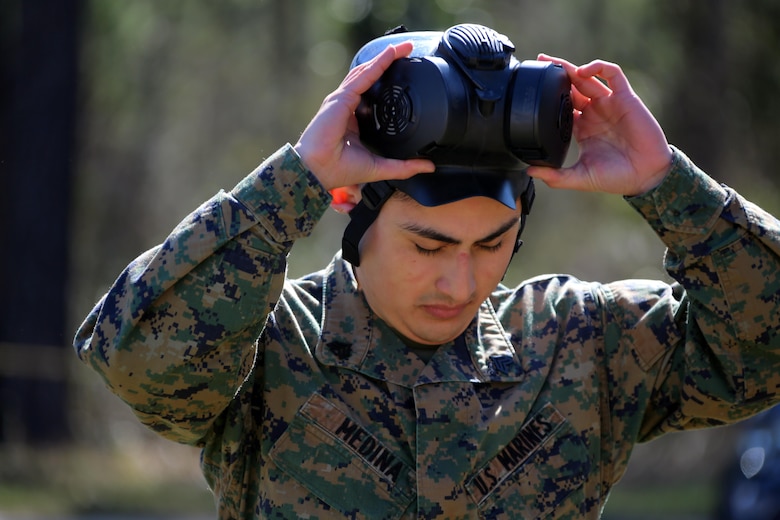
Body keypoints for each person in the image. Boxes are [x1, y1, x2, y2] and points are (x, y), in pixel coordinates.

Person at [74, 23, 780, 520]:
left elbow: (765, 348)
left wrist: (667, 186)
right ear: (350, 207)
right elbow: (141, 363)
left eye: (493, 244)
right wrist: (294, 182)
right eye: (428, 246)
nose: (461, 284)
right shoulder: (272, 343)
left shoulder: (581, 344)